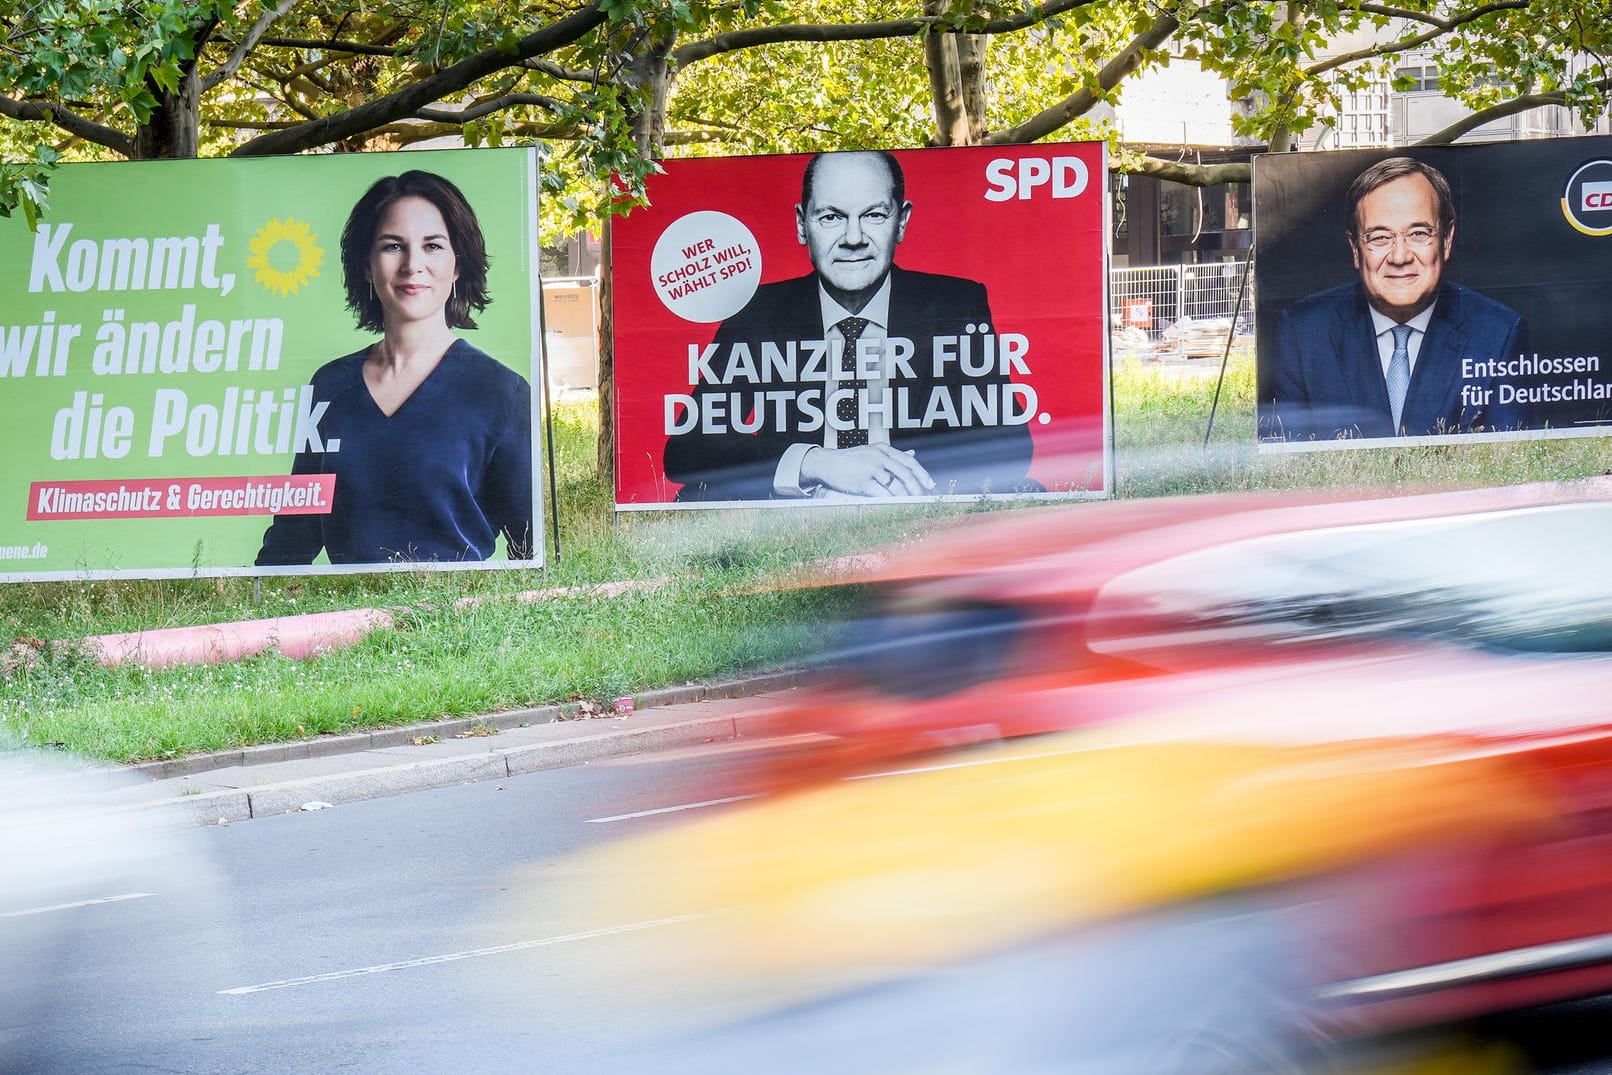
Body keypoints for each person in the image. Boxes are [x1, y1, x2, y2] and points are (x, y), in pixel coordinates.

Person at [663, 150, 1034, 501]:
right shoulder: (757, 311)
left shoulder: (954, 304)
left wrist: (884, 479)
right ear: (801, 224)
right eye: (831, 217)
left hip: (913, 506)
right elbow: (686, 452)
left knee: (1028, 491)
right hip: (793, 514)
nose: (853, 239)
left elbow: (1012, 445)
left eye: (873, 215)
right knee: (695, 497)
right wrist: (815, 464)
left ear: (901, 222)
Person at [256, 171, 533, 566]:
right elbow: (294, 532)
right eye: (392, 246)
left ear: (458, 264)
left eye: (433, 246)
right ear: (367, 265)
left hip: (455, 616)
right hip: (344, 616)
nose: (412, 265)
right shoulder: (330, 386)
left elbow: (529, 544)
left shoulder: (502, 392)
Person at [1261, 156, 1527, 441]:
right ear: (1355, 248)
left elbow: (1506, 459)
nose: (1400, 257)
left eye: (1418, 233)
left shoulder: (1498, 332)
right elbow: (1289, 458)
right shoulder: (1303, 331)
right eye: (1379, 238)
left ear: (1446, 239)